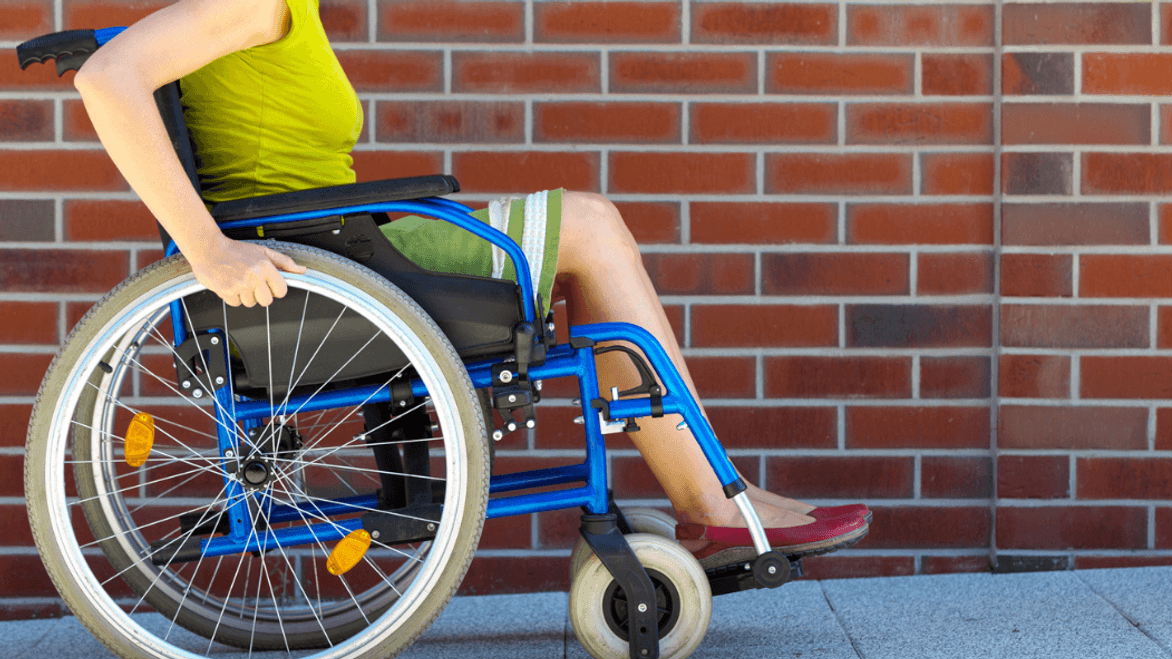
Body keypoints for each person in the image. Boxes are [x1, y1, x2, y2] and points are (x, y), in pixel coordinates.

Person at [72, 0, 869, 571]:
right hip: (320, 265)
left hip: (341, 243)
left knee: (580, 239)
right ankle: (713, 502)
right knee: (588, 223)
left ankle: (713, 494)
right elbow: (107, 79)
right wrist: (206, 252)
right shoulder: (248, 5)